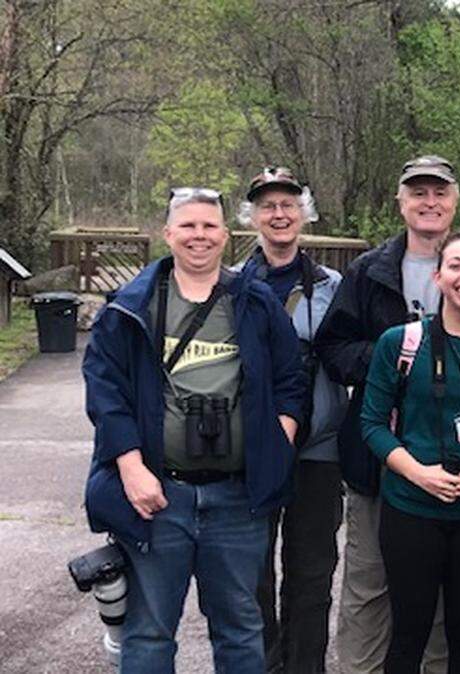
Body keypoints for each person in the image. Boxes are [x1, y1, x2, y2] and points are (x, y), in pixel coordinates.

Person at [82, 187, 304, 672]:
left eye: (208, 226)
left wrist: (277, 442)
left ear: (225, 236)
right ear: (167, 234)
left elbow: (292, 378)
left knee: (241, 629)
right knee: (150, 631)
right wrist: (131, 467)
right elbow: (105, 390)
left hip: (238, 498)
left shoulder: (255, 301)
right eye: (188, 226)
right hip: (159, 496)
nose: (198, 236)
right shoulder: (130, 307)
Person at [314, 155, 460, 674]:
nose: (429, 202)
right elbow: (333, 348)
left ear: (454, 201)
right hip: (384, 467)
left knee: (453, 618)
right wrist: (402, 364)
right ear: (401, 201)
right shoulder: (369, 271)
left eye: (439, 193)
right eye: (418, 193)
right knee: (370, 589)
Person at [360, 230, 460, 674]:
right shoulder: (400, 343)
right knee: (409, 633)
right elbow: (371, 423)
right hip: (412, 510)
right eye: (458, 265)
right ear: (439, 276)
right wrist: (418, 473)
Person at [237, 167, 349, 673]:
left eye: (288, 204)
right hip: (251, 451)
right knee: (249, 573)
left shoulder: (334, 287)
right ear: (252, 217)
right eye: (268, 206)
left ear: (304, 213)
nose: (279, 215)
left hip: (318, 453)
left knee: (311, 577)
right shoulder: (230, 287)